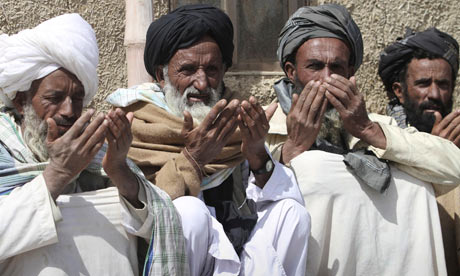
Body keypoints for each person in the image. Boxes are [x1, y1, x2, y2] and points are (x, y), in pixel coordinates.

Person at [107, 4, 309, 276]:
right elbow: (144, 213)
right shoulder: (137, 125)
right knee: (189, 212)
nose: (202, 84)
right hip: (171, 259)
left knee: (292, 213)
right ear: (161, 75)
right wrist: (193, 158)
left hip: (239, 254)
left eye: (212, 70)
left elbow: (269, 198)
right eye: (188, 70)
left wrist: (256, 152)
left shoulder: (238, 118)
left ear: (224, 70)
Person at [267, 4, 460, 275]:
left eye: (337, 67)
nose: (326, 79)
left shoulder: (381, 126)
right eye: (314, 67)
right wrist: (293, 149)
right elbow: (251, 207)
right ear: (291, 71)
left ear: (350, 73)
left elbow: (454, 167)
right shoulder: (266, 128)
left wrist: (368, 130)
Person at [0, 14, 188, 276]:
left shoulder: (97, 151)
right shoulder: (3, 148)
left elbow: (157, 223)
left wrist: (118, 169)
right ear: (21, 101)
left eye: (77, 98)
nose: (68, 111)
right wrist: (58, 173)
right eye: (54, 98)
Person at [379, 27, 460, 274]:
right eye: (424, 83)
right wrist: (434, 154)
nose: (434, 94)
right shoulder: (382, 144)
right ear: (399, 91)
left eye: (443, 85)